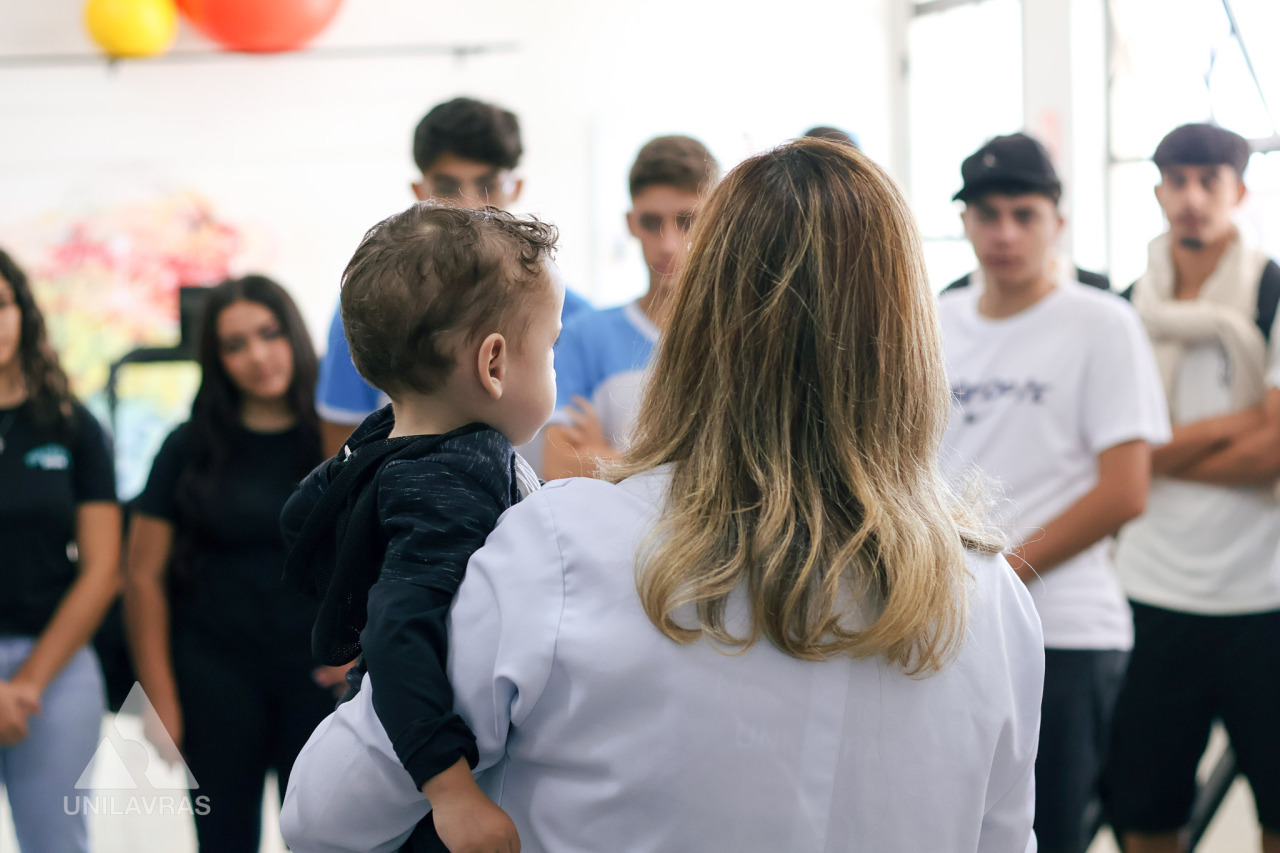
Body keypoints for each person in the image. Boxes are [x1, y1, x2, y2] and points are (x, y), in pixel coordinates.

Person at [279, 138, 1045, 853]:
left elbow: (325, 813)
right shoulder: (996, 599)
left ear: (700, 315)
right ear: (910, 337)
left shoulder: (560, 547)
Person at [280, 203, 562, 853]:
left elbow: (300, 517)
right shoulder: (459, 470)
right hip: (429, 768)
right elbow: (399, 630)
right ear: (494, 365)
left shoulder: (383, 442)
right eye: (549, 347)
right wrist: (450, 792)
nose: (554, 364)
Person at [936, 133, 1170, 853]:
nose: (1004, 233)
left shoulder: (1102, 323)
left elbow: (1126, 491)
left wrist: (997, 576)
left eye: (1024, 214)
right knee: (953, 829)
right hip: (945, 623)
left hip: (1063, 630)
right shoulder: (935, 320)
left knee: (1050, 833)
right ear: (965, 222)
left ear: (1057, 222)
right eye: (987, 214)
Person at [1107, 123, 1280, 853]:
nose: (1193, 197)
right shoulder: (1125, 308)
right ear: (1157, 192)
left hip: (1263, 596)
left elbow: (1274, 454)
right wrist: (1242, 423)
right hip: (1150, 592)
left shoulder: (1271, 290)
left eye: (1210, 180)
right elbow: (1105, 453)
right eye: (1177, 180)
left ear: (1239, 190)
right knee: (1144, 814)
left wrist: (1149, 452)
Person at [123, 275, 336, 853]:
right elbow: (141, 576)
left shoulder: (336, 439)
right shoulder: (186, 447)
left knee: (324, 840)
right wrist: (159, 698)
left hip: (315, 678)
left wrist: (361, 653)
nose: (258, 356)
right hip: (214, 680)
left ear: (294, 334)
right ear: (216, 361)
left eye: (269, 333)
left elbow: (376, 555)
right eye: (235, 345)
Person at [317, 96, 591, 459]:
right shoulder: (371, 307)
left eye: (488, 185)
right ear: (420, 193)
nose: (469, 205)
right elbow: (342, 460)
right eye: (447, 187)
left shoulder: (577, 319)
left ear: (516, 187)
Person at [0, 248, 120, 853]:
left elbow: (102, 569)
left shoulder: (71, 425)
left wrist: (28, 682)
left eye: (0, 304)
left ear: (23, 312)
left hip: (55, 665)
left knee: (57, 843)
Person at [541, 134, 718, 479]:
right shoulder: (584, 335)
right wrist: (687, 467)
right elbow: (559, 466)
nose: (668, 244)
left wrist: (605, 458)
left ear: (714, 219)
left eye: (687, 221)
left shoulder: (739, 332)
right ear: (631, 223)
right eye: (652, 222)